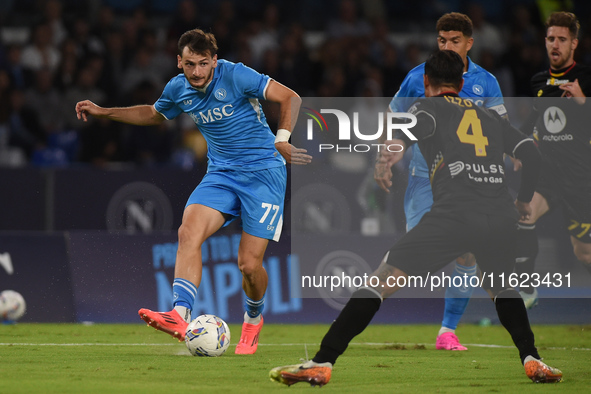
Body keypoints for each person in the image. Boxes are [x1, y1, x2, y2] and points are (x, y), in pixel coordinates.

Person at [269, 50, 562, 386]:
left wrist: (384, 161)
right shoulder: (490, 117)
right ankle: (532, 358)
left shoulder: (428, 107)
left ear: (426, 83)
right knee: (502, 288)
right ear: (461, 82)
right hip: (498, 215)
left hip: (454, 215)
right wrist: (524, 200)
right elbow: (530, 154)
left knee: (381, 279)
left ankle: (322, 362)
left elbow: (405, 134)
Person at [75, 28, 312, 354]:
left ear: (214, 61)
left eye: (203, 63)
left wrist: (282, 137)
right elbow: (154, 114)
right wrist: (105, 111)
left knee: (248, 265)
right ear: (179, 62)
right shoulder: (178, 88)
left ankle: (253, 318)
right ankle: (179, 314)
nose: (197, 72)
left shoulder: (237, 74)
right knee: (189, 231)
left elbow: (291, 97)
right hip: (221, 174)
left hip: (263, 174)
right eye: (190, 64)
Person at [377, 12, 510, 351]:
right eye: (442, 40)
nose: (448, 46)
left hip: (469, 185)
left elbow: (500, 132)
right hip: (425, 179)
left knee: (466, 254)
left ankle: (447, 331)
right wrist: (388, 156)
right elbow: (396, 118)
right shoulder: (418, 77)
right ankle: (363, 302)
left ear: (469, 43)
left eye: (454, 41)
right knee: (409, 261)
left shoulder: (487, 83)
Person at [514, 11, 591, 308]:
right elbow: (536, 117)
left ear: (574, 44)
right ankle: (526, 288)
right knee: (524, 213)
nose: (555, 45)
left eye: (562, 39)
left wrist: (584, 102)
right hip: (546, 173)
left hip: (580, 177)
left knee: (583, 253)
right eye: (550, 39)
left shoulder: (586, 78)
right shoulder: (537, 81)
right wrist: (518, 147)